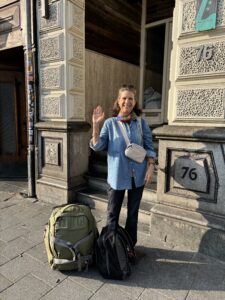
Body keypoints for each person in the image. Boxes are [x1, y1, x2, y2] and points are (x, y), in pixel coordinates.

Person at [90, 84, 156, 249]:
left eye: (131, 98)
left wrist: (151, 167)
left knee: (133, 214)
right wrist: (96, 125)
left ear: (135, 102)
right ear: (118, 101)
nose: (127, 101)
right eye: (124, 98)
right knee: (112, 214)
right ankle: (111, 248)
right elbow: (98, 146)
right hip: (117, 175)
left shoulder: (141, 123)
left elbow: (149, 147)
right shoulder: (110, 124)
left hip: (138, 175)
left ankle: (129, 247)